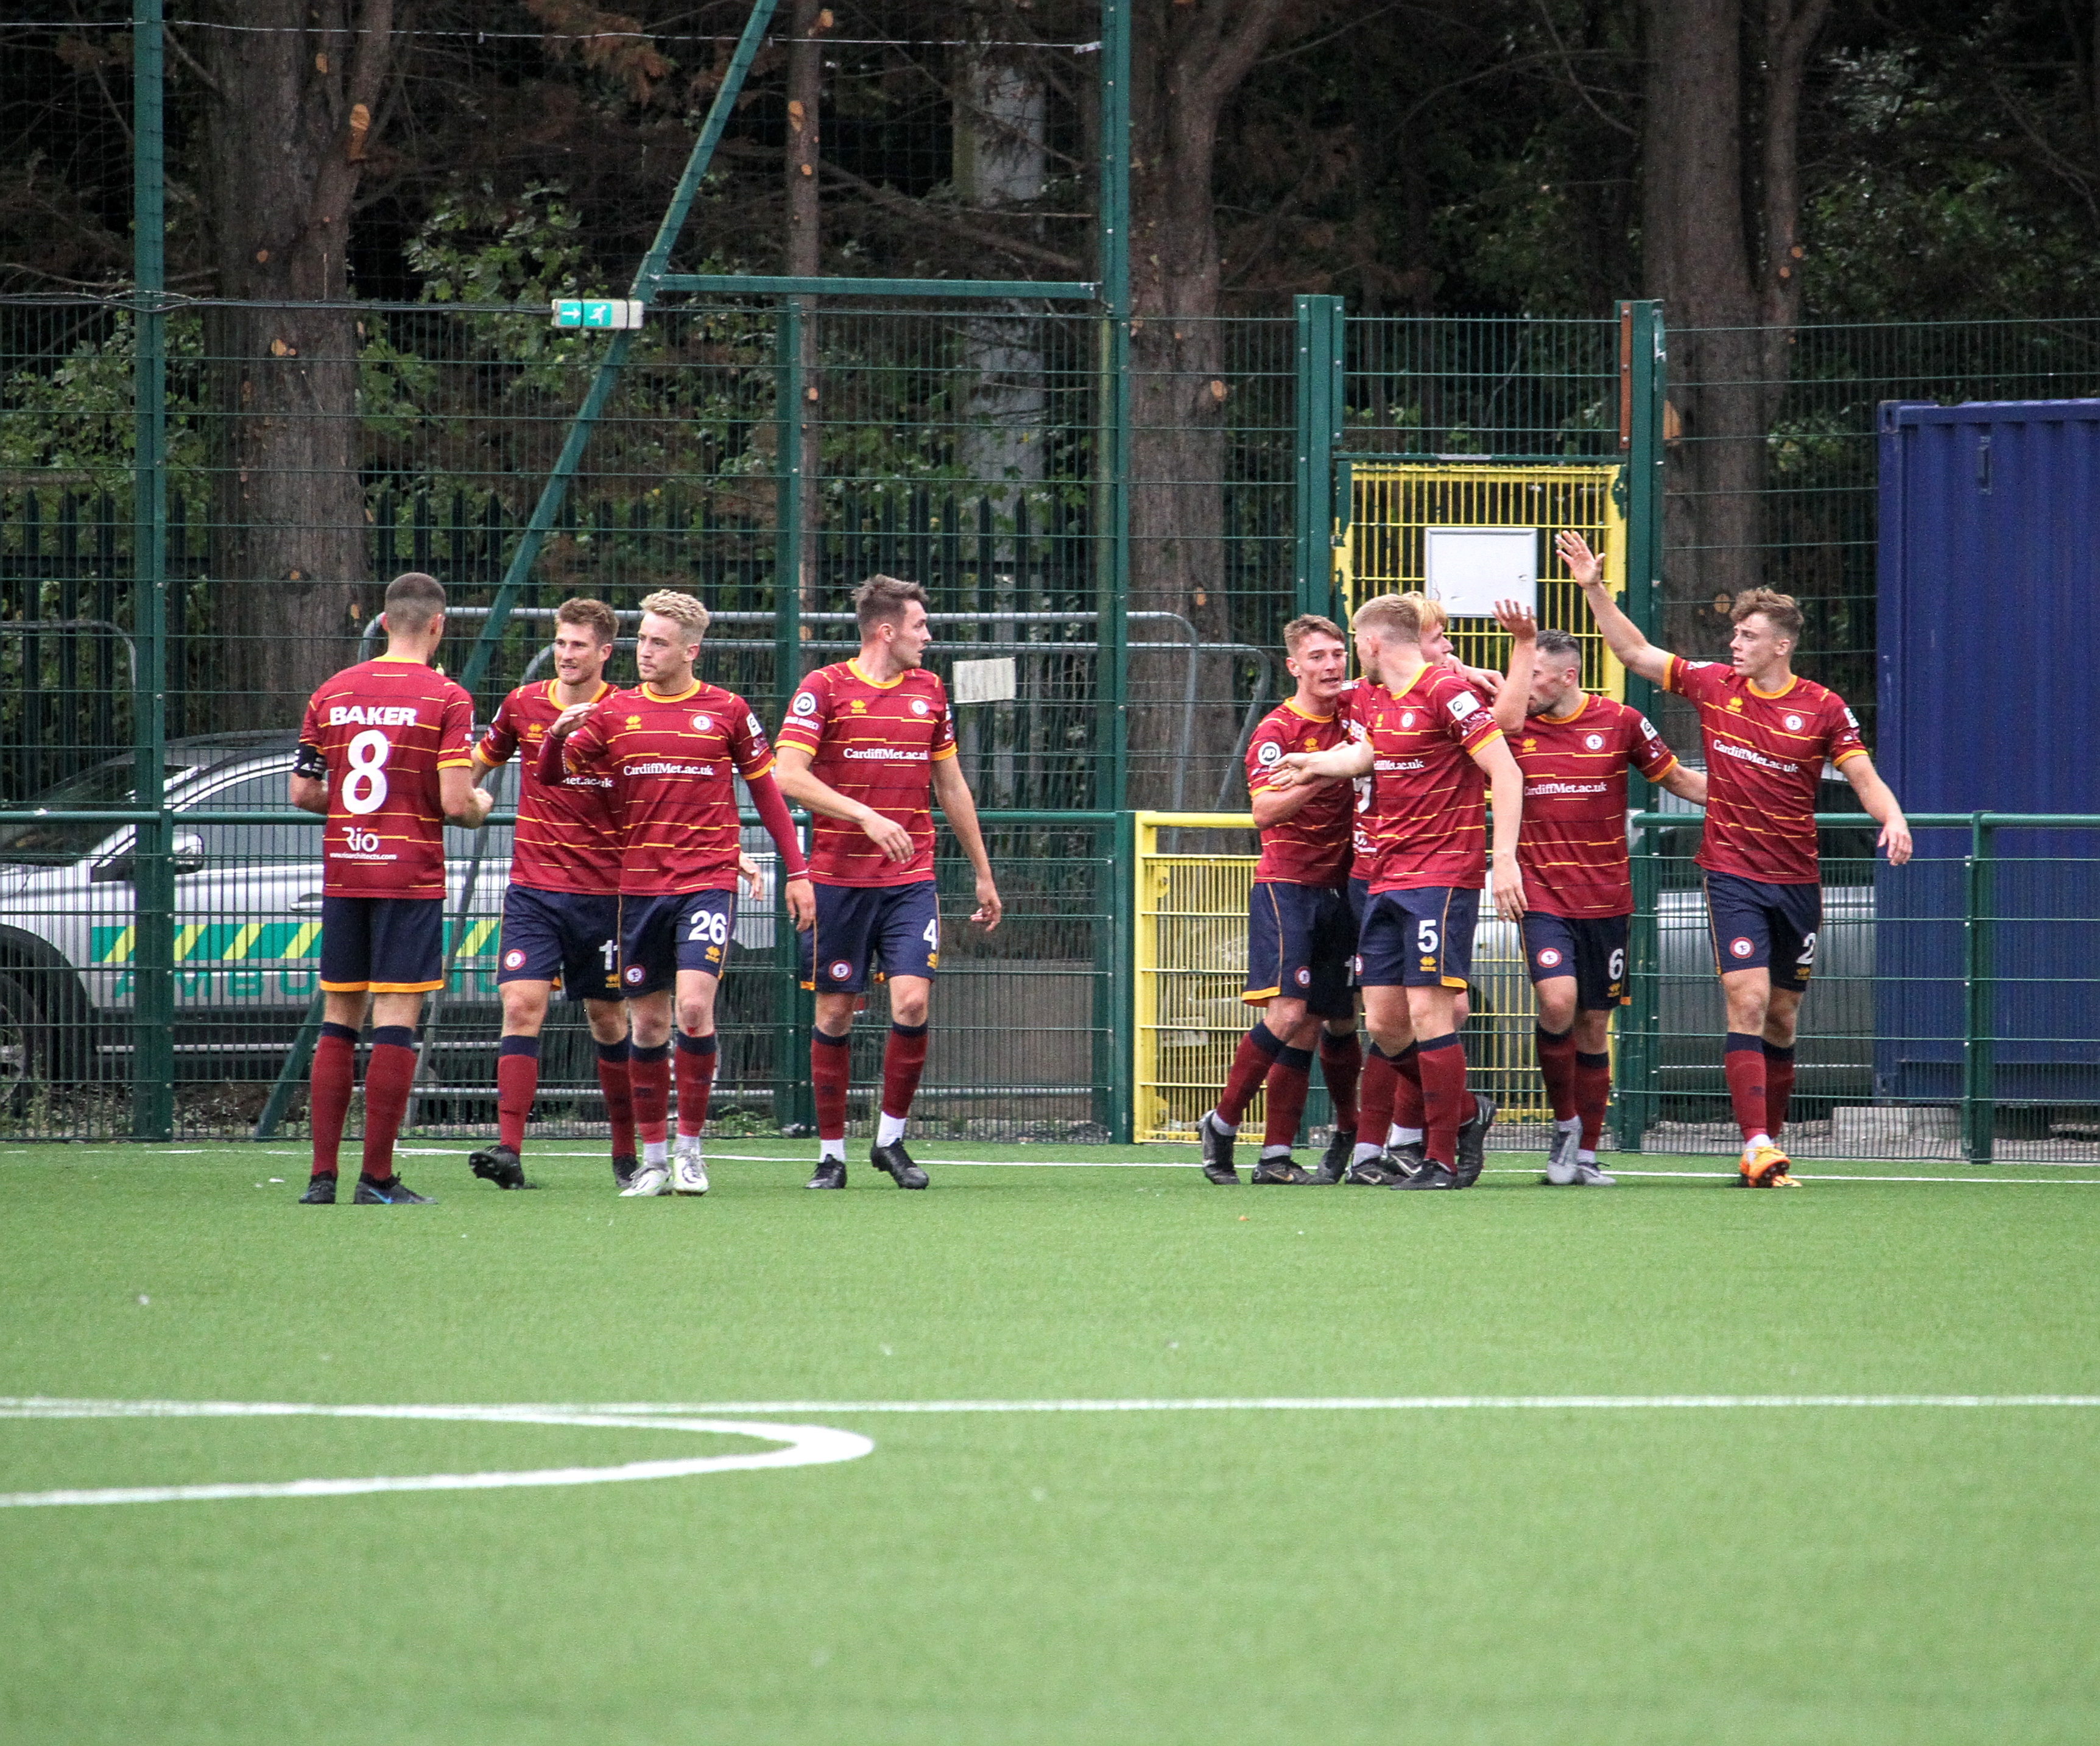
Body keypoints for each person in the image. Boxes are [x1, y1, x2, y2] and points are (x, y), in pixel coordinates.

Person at [1559, 529, 1911, 1187]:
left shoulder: (1822, 708)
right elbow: (1634, 652)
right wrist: (1592, 587)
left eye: (1748, 635)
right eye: (1735, 634)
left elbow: (1862, 777)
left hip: (1796, 881)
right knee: (1745, 1000)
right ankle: (1753, 1142)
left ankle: (1768, 1142)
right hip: (1731, 874)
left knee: (1781, 1014)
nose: (1734, 644)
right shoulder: (1714, 686)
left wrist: (1891, 816)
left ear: (1781, 644)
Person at [540, 590, 813, 1196]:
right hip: (638, 890)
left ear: (691, 650)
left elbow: (768, 794)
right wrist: (556, 738)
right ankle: (655, 1160)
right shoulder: (613, 715)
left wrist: (797, 870)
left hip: (706, 881)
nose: (645, 651)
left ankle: (691, 1152)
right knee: (648, 1023)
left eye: (659, 642)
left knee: (693, 1008)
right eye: (642, 639)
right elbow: (551, 776)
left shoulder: (727, 711)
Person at [1272, 593, 1527, 1189]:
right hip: (1385, 874)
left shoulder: (1444, 691)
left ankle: (1440, 1157)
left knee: (1429, 1010)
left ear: (1371, 643)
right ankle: (1465, 1111)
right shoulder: (1382, 700)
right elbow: (1367, 754)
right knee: (1386, 1023)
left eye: (1352, 644)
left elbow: (1506, 769)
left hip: (1441, 874)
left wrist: (1505, 860)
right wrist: (1314, 766)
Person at [773, 575, 1002, 1190]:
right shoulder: (823, 688)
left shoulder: (929, 691)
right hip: (836, 879)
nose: (927, 638)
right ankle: (830, 1154)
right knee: (836, 1011)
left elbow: (950, 787)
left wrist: (983, 873)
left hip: (909, 879)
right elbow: (786, 774)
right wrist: (865, 815)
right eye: (920, 626)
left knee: (912, 1001)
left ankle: (890, 1141)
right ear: (886, 630)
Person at [289, 571, 493, 1204]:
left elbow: (302, 792)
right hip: (408, 875)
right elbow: (457, 802)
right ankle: (375, 1178)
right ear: (438, 624)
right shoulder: (447, 698)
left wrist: (356, 814)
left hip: (347, 869)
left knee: (339, 1018)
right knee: (396, 1019)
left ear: (382, 622)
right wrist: (482, 801)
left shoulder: (332, 691)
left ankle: (321, 1178)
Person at [1489, 609, 1708, 1185]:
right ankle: (1563, 1128)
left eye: (1534, 672)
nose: (1524, 681)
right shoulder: (1511, 727)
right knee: (1557, 1003)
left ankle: (1585, 1151)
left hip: (1607, 899)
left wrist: (1752, 800)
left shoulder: (1622, 722)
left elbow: (1681, 780)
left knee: (1592, 1023)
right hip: (1542, 895)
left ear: (1565, 677)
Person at [462, 598, 635, 1193]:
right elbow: (471, 770)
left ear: (604, 652)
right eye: (560, 643)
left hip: (605, 896)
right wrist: (453, 798)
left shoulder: (625, 713)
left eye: (578, 645)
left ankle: (624, 1151)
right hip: (535, 891)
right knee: (520, 1006)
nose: (566, 654)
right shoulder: (523, 704)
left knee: (608, 1019)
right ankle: (509, 1149)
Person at [1197, 615, 1362, 1186]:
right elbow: (1264, 811)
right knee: (1288, 1013)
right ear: (1294, 667)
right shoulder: (1278, 731)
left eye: (1338, 654)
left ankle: (1283, 1154)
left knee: (1327, 1021)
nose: (1331, 665)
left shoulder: (1358, 713)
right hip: (1287, 885)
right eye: (1317, 657)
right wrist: (1328, 769)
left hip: (1343, 887)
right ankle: (1221, 1124)